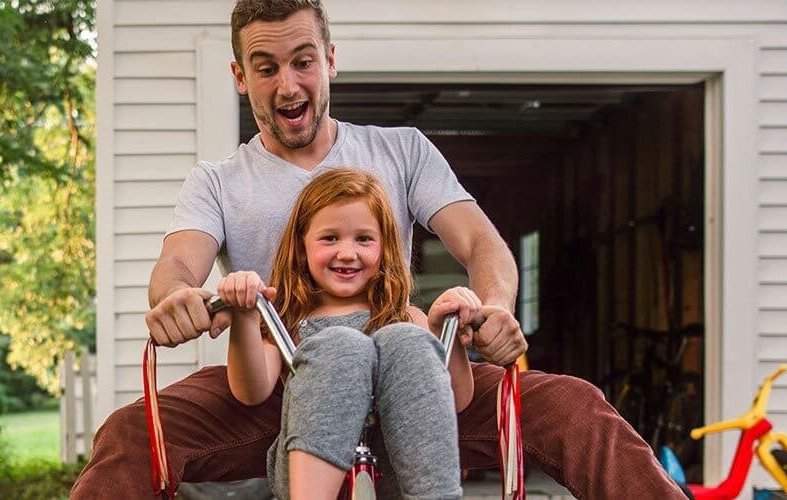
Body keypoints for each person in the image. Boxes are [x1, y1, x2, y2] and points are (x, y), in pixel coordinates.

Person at [71, 0, 686, 498]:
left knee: (573, 408)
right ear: (240, 76)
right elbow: (179, 265)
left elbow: (482, 242)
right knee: (132, 434)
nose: (288, 84)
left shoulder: (402, 151)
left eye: (302, 62)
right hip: (281, 378)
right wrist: (179, 299)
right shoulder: (219, 181)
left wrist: (493, 305)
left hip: (408, 371)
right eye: (265, 67)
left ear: (330, 62)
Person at [220, 169, 474, 499]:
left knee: (406, 340)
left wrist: (442, 333)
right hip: (312, 478)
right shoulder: (288, 321)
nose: (347, 252)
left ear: (385, 248)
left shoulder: (406, 317)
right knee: (340, 344)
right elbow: (250, 392)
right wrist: (245, 318)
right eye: (330, 238)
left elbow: (453, 399)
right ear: (302, 246)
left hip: (396, 475)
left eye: (364, 239)